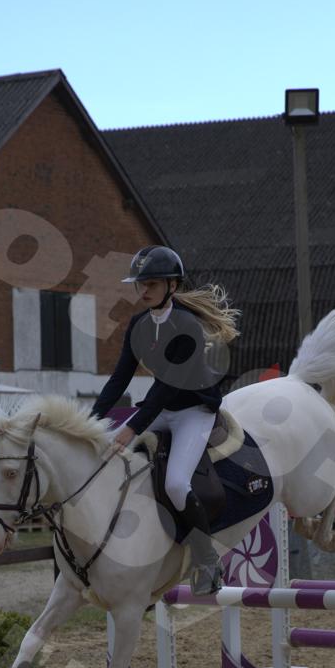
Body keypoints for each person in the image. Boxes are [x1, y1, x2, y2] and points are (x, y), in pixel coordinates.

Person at [91, 245, 239, 594]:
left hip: (193, 412)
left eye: (152, 284)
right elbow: (119, 379)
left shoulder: (187, 326)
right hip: (162, 409)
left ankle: (207, 561)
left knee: (175, 483)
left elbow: (168, 386)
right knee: (104, 454)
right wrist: (90, 421)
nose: (143, 290)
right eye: (140, 284)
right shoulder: (139, 325)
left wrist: (132, 427)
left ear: (172, 285)